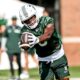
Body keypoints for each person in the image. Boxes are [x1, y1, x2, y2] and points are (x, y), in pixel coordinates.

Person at [19, 4, 70, 80]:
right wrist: (24, 45)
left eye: (32, 17)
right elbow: (26, 47)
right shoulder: (24, 30)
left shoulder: (46, 20)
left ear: (35, 14)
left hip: (58, 56)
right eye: (27, 20)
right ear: (23, 22)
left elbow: (48, 34)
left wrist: (37, 39)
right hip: (44, 60)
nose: (31, 21)